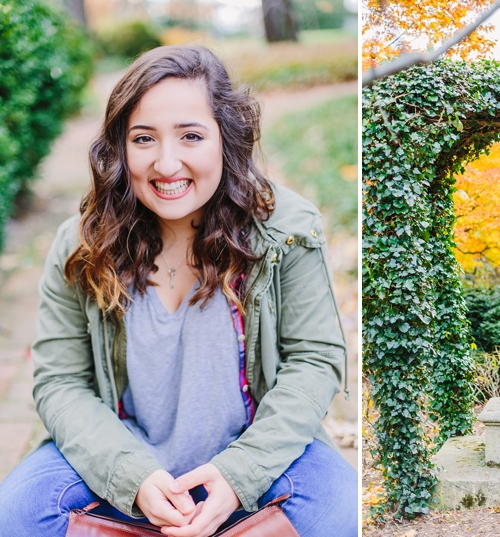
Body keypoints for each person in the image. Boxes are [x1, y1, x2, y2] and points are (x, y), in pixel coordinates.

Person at [0, 45, 357, 537]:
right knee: (16, 515)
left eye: (191, 135)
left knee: (336, 515)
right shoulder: (80, 244)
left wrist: (238, 475)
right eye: (143, 138)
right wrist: (132, 475)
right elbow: (60, 382)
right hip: (119, 458)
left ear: (225, 140)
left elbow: (314, 361)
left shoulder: (286, 230)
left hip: (256, 455)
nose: (167, 164)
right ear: (120, 149)